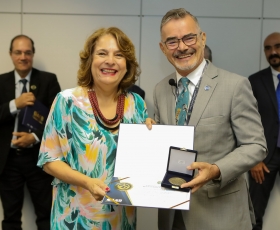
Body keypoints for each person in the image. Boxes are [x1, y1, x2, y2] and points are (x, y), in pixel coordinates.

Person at [146, 8, 267, 230]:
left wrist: (216, 169)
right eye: (172, 42)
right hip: (172, 215)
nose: (182, 47)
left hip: (220, 215)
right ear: (163, 49)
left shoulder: (235, 85)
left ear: (202, 39)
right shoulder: (160, 89)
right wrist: (150, 135)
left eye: (189, 38)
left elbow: (256, 145)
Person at [37, 27, 148, 229]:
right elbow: (49, 160)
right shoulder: (67, 101)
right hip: (74, 217)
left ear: (127, 65)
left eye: (119, 55)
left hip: (121, 220)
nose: (110, 61)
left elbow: (142, 161)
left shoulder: (137, 104)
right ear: (90, 61)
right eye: (102, 53)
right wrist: (88, 182)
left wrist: (154, 135)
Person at [0, 35, 61, 229]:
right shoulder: (1, 82)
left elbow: (57, 119)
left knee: (46, 214)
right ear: (11, 54)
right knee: (10, 218)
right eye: (18, 52)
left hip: (39, 159)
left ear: (33, 54)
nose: (23, 57)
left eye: (27, 52)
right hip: (8, 161)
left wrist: (34, 137)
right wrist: (14, 104)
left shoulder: (48, 80)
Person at [248, 32, 280, 230]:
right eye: (268, 48)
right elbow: (247, 123)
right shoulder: (255, 81)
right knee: (254, 214)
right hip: (264, 159)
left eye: (277, 46)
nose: (273, 52)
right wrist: (253, 158)